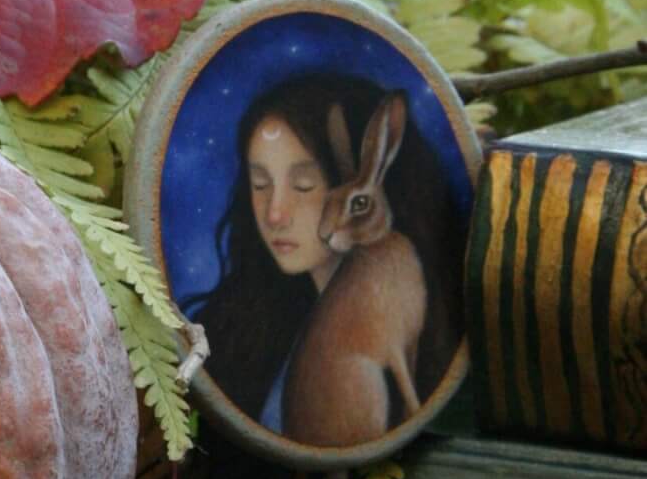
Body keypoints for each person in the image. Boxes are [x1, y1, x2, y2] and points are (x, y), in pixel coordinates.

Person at [182, 70, 462, 433]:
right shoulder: (248, 338)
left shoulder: (410, 298)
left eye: (304, 186)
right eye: (260, 184)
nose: (275, 214)